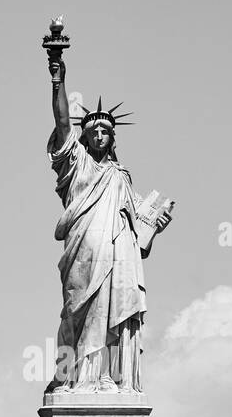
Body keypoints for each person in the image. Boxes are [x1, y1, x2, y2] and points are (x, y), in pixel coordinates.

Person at [46, 45, 172, 393]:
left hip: (118, 259)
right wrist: (58, 76)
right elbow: (60, 121)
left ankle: (105, 377)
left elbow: (138, 237)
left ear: (112, 138)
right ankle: (74, 377)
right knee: (79, 313)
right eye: (93, 130)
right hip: (83, 255)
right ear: (83, 137)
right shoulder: (76, 166)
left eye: (105, 130)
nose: (99, 133)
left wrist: (154, 229)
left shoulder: (120, 177)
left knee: (113, 313)